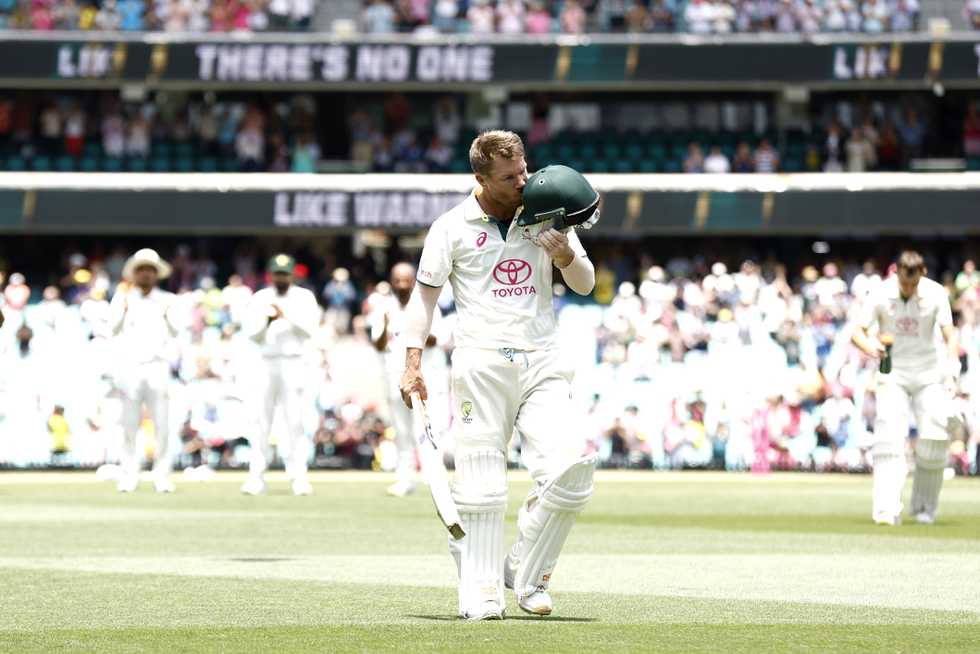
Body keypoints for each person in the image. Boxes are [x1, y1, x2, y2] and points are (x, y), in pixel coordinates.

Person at [399, 131, 598, 620]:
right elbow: (424, 298)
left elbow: (586, 283)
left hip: (544, 359)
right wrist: (411, 363)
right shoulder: (451, 226)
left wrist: (565, 256)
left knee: (570, 474)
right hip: (481, 362)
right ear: (480, 178)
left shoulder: (547, 210)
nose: (522, 181)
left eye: (523, 170)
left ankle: (526, 572)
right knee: (482, 483)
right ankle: (482, 588)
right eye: (509, 178)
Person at [851, 251, 959, 526]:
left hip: (928, 373)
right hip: (893, 372)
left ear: (922, 273)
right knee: (889, 438)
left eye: (913, 283)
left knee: (935, 438)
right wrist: (870, 347)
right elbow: (857, 332)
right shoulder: (880, 293)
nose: (908, 288)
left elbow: (950, 335)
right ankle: (887, 510)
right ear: (896, 272)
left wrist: (952, 368)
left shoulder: (935, 293)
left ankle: (925, 508)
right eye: (904, 282)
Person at [241, 254, 320, 496]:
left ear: (293, 274)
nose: (281, 278)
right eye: (277, 273)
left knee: (294, 421)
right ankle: (256, 477)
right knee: (260, 421)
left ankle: (299, 478)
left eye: (285, 273)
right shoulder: (260, 298)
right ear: (270, 275)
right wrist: (268, 320)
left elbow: (309, 330)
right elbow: (252, 335)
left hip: (293, 362)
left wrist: (286, 316)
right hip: (266, 361)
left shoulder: (304, 297)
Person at [369, 262, 449, 497]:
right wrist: (385, 325)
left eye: (406, 280)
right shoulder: (383, 306)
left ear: (414, 281)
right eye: (398, 280)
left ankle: (434, 475)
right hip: (395, 375)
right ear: (392, 282)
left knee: (428, 427)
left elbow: (438, 340)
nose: (402, 285)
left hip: (426, 375)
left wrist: (414, 328)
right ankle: (405, 479)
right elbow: (378, 345)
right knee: (401, 430)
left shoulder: (426, 303)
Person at [108, 248, 179, 493]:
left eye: (150, 270)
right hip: (131, 367)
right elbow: (112, 330)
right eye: (142, 270)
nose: (146, 274)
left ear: (156, 274)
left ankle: (162, 475)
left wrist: (168, 316)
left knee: (162, 424)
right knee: (129, 424)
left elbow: (177, 331)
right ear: (134, 274)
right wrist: (123, 310)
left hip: (158, 366)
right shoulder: (123, 298)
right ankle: (129, 474)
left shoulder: (167, 299)